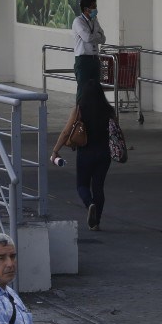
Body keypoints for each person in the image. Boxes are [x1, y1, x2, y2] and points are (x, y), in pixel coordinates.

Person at [52, 79, 114, 231]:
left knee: (82, 185)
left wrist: (55, 150)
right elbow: (115, 132)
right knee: (98, 187)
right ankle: (96, 222)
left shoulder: (79, 110)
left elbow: (66, 131)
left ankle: (89, 203)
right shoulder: (109, 110)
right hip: (104, 153)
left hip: (85, 153)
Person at [72, 0, 106, 100]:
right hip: (83, 60)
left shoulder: (94, 21)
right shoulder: (78, 21)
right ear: (86, 9)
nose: (96, 9)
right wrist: (97, 35)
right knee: (83, 89)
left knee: (95, 90)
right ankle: (80, 114)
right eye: (93, 7)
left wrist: (94, 35)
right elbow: (86, 38)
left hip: (95, 59)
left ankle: (94, 114)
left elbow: (103, 38)